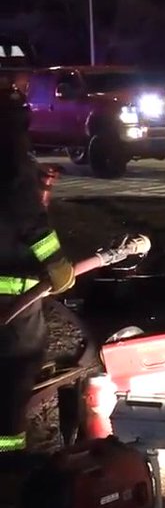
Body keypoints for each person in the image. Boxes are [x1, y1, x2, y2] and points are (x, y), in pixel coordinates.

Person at [0, 85, 74, 471]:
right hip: (12, 307)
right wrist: (57, 262)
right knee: (13, 382)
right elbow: (29, 220)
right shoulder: (10, 158)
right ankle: (8, 466)